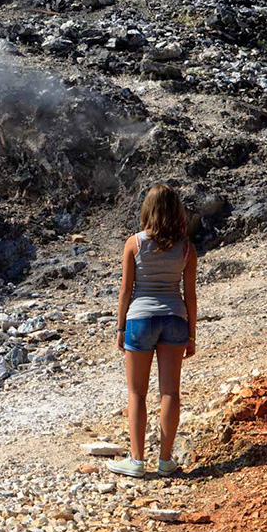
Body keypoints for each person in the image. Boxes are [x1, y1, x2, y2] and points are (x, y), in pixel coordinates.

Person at [106, 183, 197, 478]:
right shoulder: (186, 248)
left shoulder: (134, 243)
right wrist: (192, 335)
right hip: (174, 318)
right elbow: (190, 295)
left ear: (148, 210)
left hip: (140, 319)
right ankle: (166, 460)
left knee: (137, 393)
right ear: (177, 212)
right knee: (170, 391)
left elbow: (125, 291)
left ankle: (136, 461)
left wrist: (120, 328)